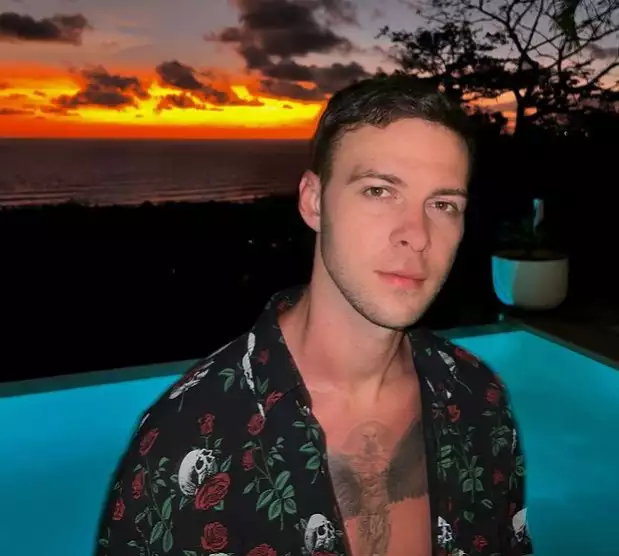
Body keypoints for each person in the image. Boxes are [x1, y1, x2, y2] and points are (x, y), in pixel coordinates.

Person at [94, 74, 534, 556]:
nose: (417, 234)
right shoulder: (183, 441)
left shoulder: (479, 402)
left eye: (443, 204)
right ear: (313, 201)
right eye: (379, 191)